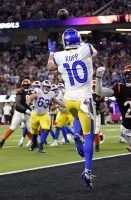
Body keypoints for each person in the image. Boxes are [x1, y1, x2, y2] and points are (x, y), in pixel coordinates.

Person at [47, 28, 97, 189]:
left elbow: (50, 66)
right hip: (84, 98)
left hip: (69, 100)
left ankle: (76, 135)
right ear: (79, 39)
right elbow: (94, 52)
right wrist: (80, 43)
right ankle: (87, 170)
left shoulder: (59, 56)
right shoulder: (85, 48)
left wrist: (50, 51)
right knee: (89, 136)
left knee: (76, 119)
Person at [27, 80, 65, 153]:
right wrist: (28, 101)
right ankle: (34, 144)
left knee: (46, 129)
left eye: (48, 87)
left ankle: (41, 146)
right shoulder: (38, 92)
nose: (46, 88)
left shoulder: (51, 93)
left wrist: (62, 104)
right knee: (34, 131)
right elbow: (31, 97)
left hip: (45, 114)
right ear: (42, 86)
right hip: (35, 114)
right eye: (45, 87)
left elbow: (55, 100)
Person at [0, 79, 33, 149]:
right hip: (19, 113)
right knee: (13, 127)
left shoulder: (33, 92)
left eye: (27, 85)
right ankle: (2, 141)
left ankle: (34, 142)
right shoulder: (20, 91)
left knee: (31, 129)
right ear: (22, 85)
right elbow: (18, 103)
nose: (26, 86)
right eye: (25, 85)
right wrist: (25, 109)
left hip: (28, 114)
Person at [92, 80, 105, 152]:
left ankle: (97, 146)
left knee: (96, 131)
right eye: (93, 86)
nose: (94, 88)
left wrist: (99, 110)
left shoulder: (100, 95)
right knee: (86, 131)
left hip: (96, 115)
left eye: (95, 86)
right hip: (89, 114)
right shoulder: (88, 94)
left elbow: (103, 106)